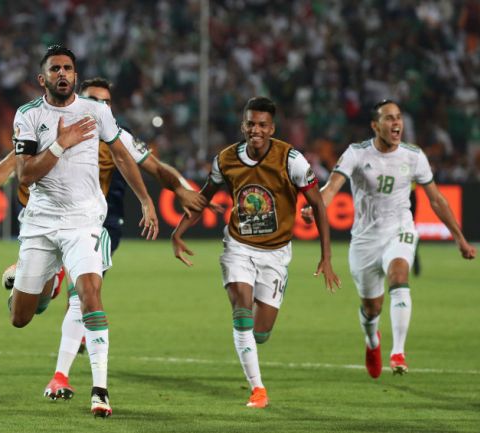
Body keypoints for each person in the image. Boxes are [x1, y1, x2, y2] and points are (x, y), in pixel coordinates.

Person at [0, 77, 208, 404]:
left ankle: (63, 376)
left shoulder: (115, 137)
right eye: (93, 99)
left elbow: (155, 166)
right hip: (48, 223)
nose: (99, 106)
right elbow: (14, 162)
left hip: (94, 225)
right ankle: (33, 283)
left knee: (83, 297)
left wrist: (178, 189)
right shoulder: (54, 126)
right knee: (33, 308)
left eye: (105, 102)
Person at [7, 45, 159, 418]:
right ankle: (39, 288)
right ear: (43, 78)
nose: (63, 73)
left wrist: (145, 199)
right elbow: (25, 174)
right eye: (55, 69)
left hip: (84, 220)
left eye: (68, 68)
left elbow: (122, 154)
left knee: (90, 291)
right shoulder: (28, 116)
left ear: (75, 75)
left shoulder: (97, 111)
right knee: (20, 317)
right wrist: (61, 143)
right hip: (41, 222)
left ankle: (100, 390)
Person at [172, 96, 340, 409]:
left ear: (272, 128)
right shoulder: (225, 159)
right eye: (251, 123)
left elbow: (317, 203)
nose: (256, 130)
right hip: (237, 247)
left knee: (260, 332)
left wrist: (326, 256)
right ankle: (258, 389)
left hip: (276, 254)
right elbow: (203, 197)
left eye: (262, 125)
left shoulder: (292, 160)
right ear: (243, 125)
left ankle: (254, 350)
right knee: (241, 312)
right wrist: (178, 231)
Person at [302, 99, 475, 378]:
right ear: (375, 125)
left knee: (399, 275)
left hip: (400, 229)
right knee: (372, 308)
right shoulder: (356, 154)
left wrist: (460, 238)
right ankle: (373, 341)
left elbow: (437, 199)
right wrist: (315, 206)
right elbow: (332, 187)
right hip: (365, 240)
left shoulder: (413, 155)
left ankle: (398, 352)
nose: (396, 123)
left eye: (399, 118)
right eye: (389, 118)